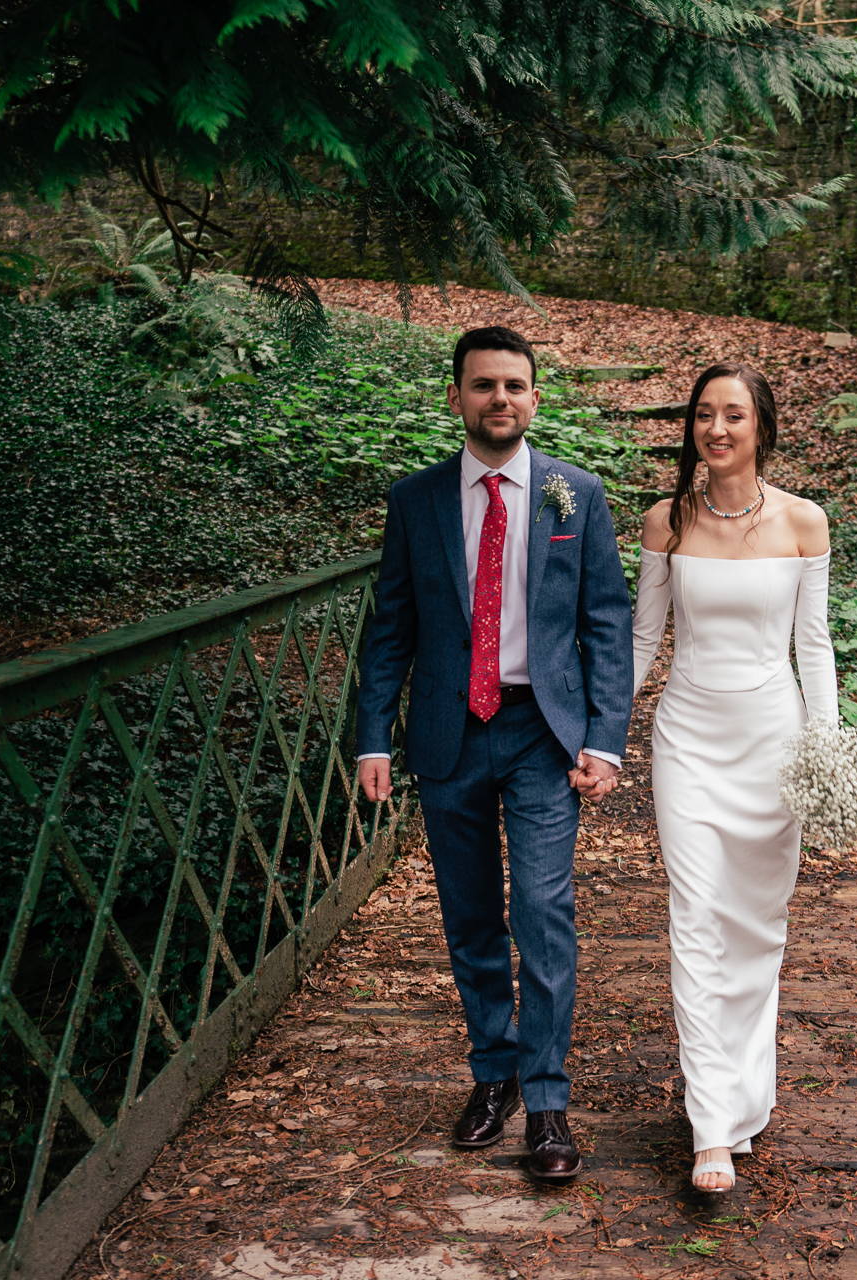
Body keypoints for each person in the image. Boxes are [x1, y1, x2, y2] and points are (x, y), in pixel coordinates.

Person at [355, 326, 634, 1181]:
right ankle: (494, 1073)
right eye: (483, 385)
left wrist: (605, 738)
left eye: (515, 385)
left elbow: (606, 625)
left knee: (543, 917)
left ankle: (548, 1103)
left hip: (540, 733)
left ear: (535, 398)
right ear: (457, 398)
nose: (500, 398)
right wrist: (372, 736)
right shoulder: (417, 501)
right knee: (470, 915)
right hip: (447, 730)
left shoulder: (575, 496)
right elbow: (390, 627)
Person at [629, 362, 836, 1193]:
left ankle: (746, 1100)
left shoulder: (804, 522)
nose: (716, 429)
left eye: (734, 415)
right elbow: (643, 640)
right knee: (696, 918)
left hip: (773, 745)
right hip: (687, 738)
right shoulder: (663, 522)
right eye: (704, 415)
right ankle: (710, 1123)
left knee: (757, 929)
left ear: (762, 426)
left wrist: (826, 748)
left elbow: (813, 646)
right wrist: (601, 738)